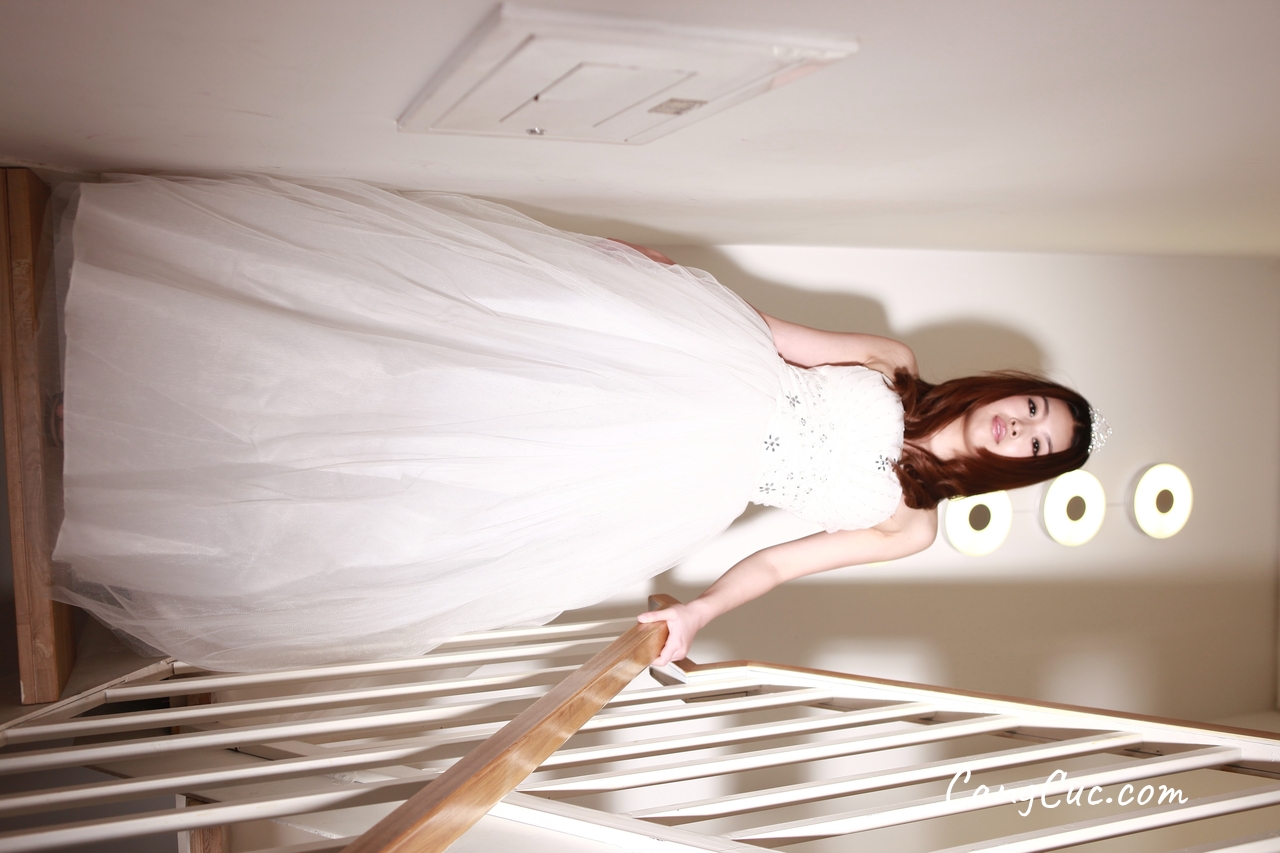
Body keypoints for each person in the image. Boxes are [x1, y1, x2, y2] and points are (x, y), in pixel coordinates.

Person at [51, 174, 1094, 672]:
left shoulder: (909, 525)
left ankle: (111, 465)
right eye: (1035, 408)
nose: (1023, 430)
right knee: (424, 366)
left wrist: (699, 613)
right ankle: (114, 375)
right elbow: (779, 336)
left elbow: (778, 562)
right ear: (1011, 389)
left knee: (431, 470)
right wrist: (668, 283)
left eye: (1039, 446)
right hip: (685, 366)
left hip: (677, 475)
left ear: (1024, 470)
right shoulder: (893, 363)